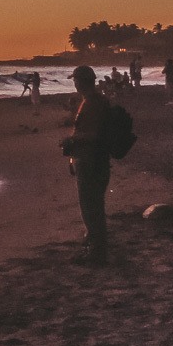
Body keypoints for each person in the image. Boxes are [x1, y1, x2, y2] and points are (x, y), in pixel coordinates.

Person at [62, 65, 111, 266]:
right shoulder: (99, 101)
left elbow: (93, 135)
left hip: (90, 159)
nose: (74, 83)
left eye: (75, 80)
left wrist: (70, 141)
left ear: (81, 81)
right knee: (95, 205)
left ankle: (96, 250)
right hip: (97, 159)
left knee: (90, 206)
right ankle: (95, 246)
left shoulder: (91, 104)